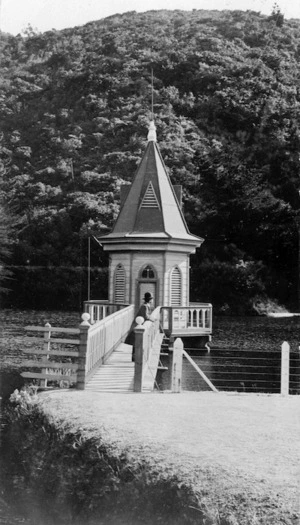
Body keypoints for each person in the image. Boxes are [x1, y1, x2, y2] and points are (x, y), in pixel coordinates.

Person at [125, 292, 154, 361]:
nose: (152, 300)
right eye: (152, 299)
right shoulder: (144, 306)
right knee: (135, 342)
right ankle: (134, 358)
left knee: (136, 342)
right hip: (136, 326)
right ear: (150, 300)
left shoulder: (146, 306)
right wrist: (152, 319)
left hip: (139, 326)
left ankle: (134, 358)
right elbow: (146, 316)